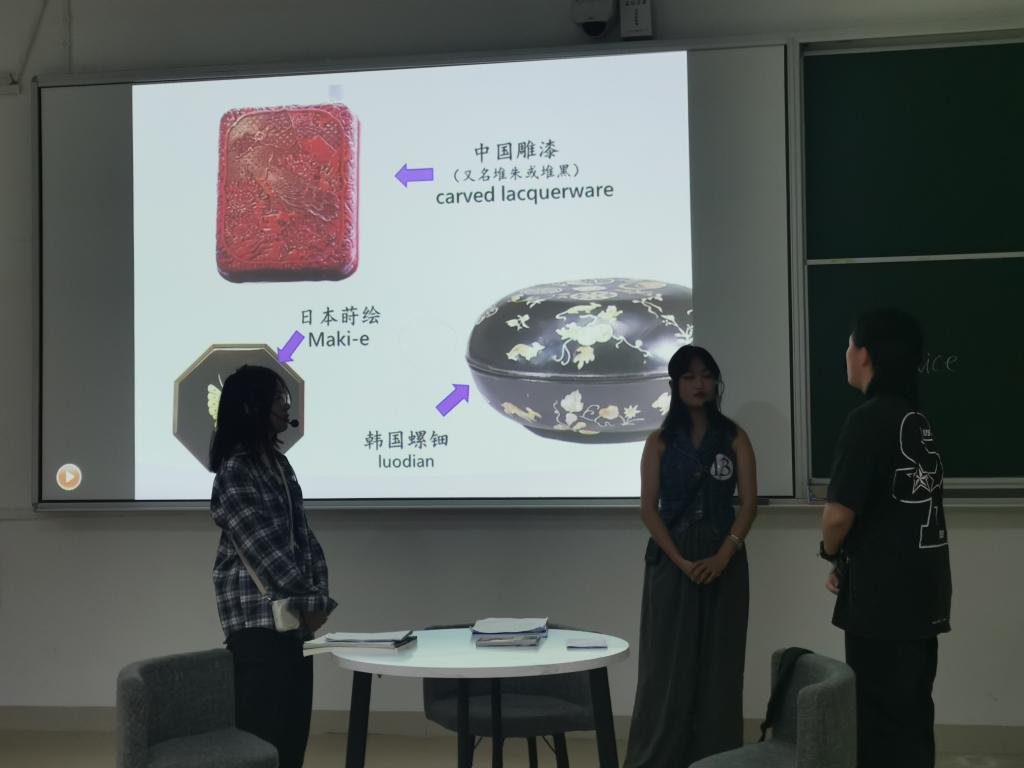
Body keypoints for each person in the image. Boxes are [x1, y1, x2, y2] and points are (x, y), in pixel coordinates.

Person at [820, 308, 952, 768]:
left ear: (864, 354)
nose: (846, 353)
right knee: (912, 715)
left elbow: (838, 516)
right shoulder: (917, 419)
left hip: (882, 600)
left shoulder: (867, 420)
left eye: (849, 344)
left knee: (875, 722)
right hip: (924, 594)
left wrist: (831, 554)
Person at [624, 345, 758, 768]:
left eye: (706, 375)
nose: (700, 384)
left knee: (721, 665)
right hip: (672, 562)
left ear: (716, 381)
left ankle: (717, 758)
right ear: (675, 385)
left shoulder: (735, 437)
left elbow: (748, 505)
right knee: (667, 665)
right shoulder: (659, 441)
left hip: (725, 561)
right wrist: (681, 561)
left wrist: (723, 555)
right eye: (689, 377)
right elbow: (648, 509)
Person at [209, 364, 337, 768]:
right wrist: (311, 599)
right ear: (252, 407)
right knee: (261, 740)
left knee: (292, 737)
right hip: (256, 624)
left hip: (292, 622)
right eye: (280, 398)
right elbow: (263, 549)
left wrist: (317, 597)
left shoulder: (279, 465)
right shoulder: (236, 469)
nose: (287, 407)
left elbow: (304, 539)